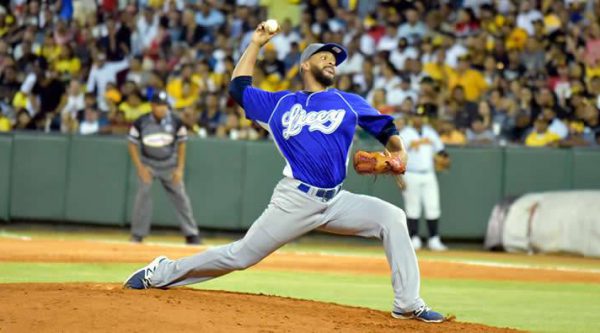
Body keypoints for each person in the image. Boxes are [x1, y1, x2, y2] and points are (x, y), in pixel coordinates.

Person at [124, 22, 445, 324]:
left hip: (336, 201)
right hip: (295, 199)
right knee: (240, 256)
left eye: (335, 59)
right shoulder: (280, 105)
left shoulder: (349, 102)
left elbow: (386, 127)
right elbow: (238, 89)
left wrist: (398, 151)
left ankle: (407, 303)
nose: (332, 62)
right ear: (305, 64)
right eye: (324, 56)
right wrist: (255, 44)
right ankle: (162, 271)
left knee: (392, 217)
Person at [127, 90, 202, 245]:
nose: (162, 108)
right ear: (152, 106)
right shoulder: (141, 122)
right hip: (149, 164)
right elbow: (132, 144)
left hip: (169, 164)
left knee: (181, 197)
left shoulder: (176, 121)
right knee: (143, 195)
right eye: (159, 105)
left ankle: (192, 234)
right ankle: (137, 235)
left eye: (164, 105)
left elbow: (182, 143)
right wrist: (140, 167)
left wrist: (179, 168)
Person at [399, 107, 449, 252]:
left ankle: (434, 238)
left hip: (429, 173)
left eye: (421, 116)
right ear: (411, 118)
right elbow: (398, 155)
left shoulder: (430, 133)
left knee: (432, 206)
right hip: (411, 174)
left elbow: (441, 151)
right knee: (412, 207)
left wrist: (444, 159)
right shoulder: (405, 134)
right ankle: (414, 238)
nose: (418, 119)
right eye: (416, 116)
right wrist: (400, 177)